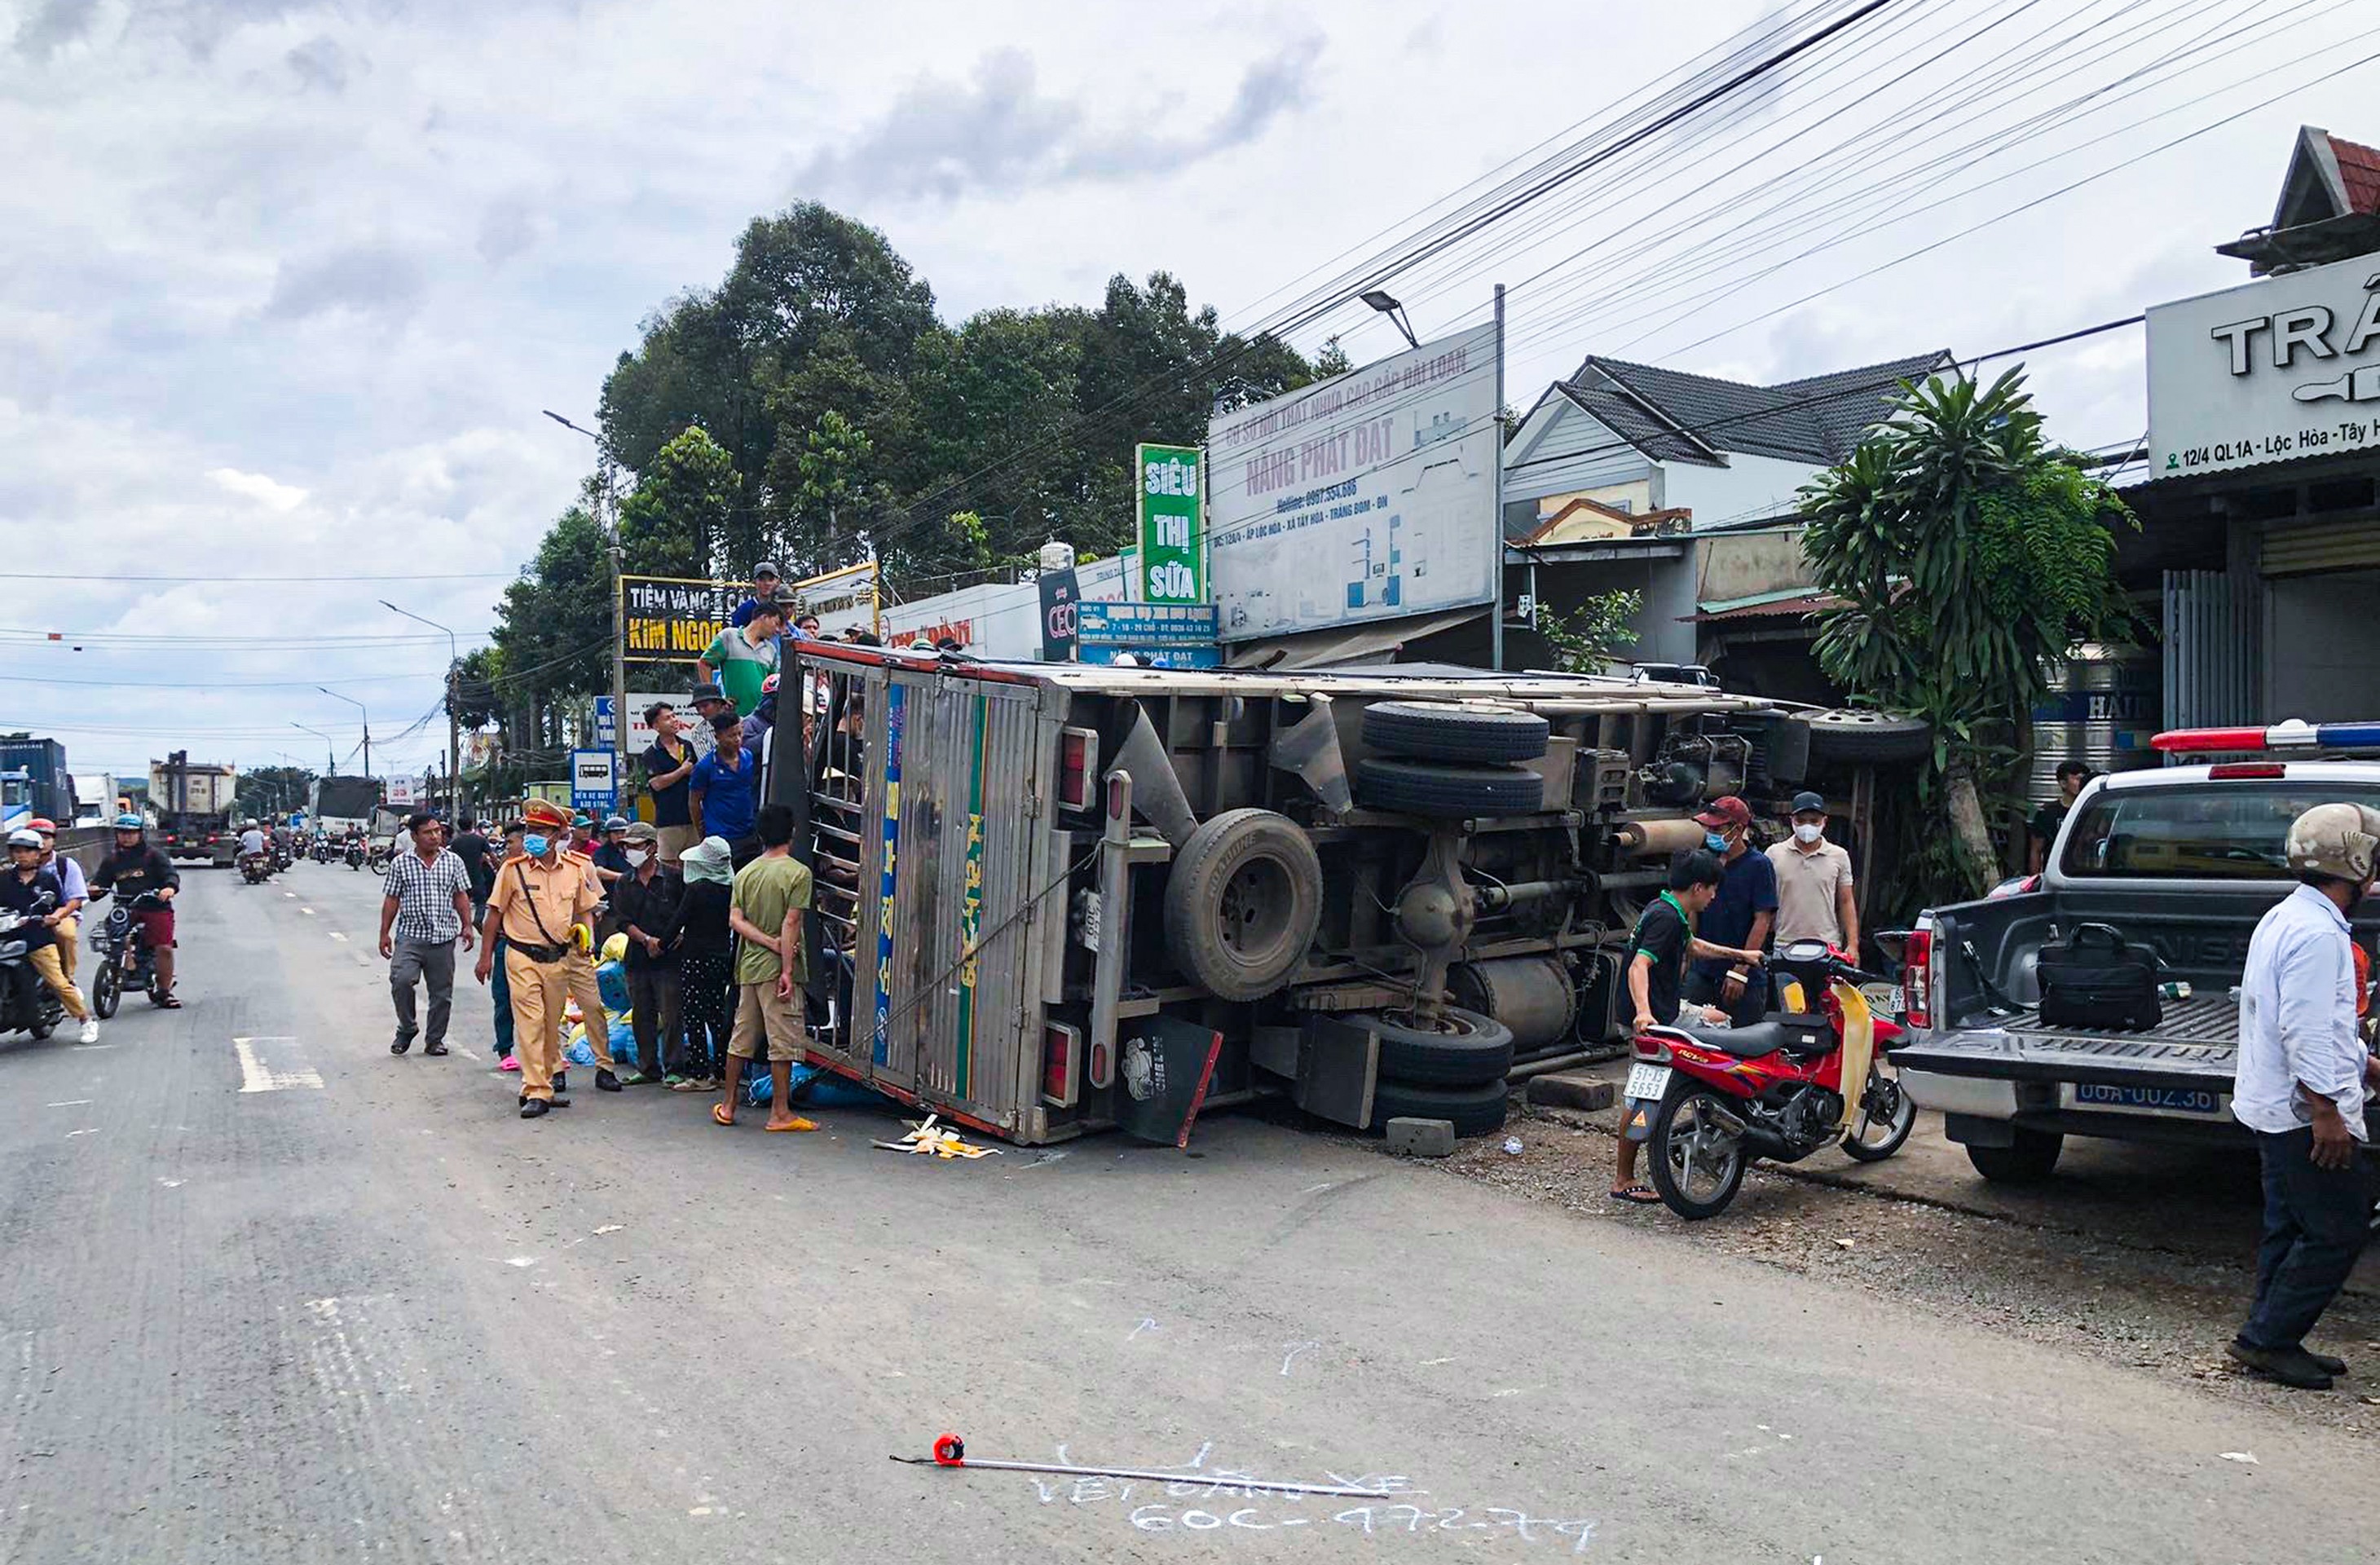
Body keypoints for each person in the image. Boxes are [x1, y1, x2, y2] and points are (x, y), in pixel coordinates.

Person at [2228, 802, 2380, 1390]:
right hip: (2302, 1113)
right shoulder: (2318, 935)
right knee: (2338, 1228)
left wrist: (2365, 1066)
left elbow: (2311, 1022)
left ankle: (2269, 1334)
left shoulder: (2289, 916)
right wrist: (2327, 1112)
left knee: (2290, 1226)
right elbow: (2306, 1030)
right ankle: (2268, 1340)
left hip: (2276, 1105)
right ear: (2356, 862)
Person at [1611, 849, 1765, 1204]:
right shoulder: (1667, 919)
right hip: (1656, 1019)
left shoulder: (1665, 909)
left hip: (1660, 1011)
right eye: (1712, 890)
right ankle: (1722, 1123)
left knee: (1713, 1021)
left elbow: (1692, 947)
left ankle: (1629, 1171)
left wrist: (1741, 956)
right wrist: (1644, 1012)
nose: (1713, 898)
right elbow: (1639, 967)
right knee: (1722, 1029)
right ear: (1698, 887)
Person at [475, 800, 622, 1117]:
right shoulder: (512, 870)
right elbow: (493, 915)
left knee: (550, 1023)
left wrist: (587, 939)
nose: (532, 837)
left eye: (540, 831)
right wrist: (485, 957)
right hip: (521, 956)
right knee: (530, 1022)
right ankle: (537, 1090)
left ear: (557, 835)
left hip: (559, 958)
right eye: (530, 830)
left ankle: (545, 1081)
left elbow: (585, 908)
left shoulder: (575, 869)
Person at [714, 804, 817, 1132]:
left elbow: (735, 920)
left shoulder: (745, 873)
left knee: (741, 1038)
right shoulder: (798, 873)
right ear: (792, 833)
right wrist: (785, 964)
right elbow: (791, 922)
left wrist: (763, 942)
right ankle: (780, 1113)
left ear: (760, 835)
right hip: (776, 970)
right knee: (781, 1040)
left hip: (748, 968)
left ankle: (728, 1105)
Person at [377, 812, 475, 1057]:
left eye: (437, 831)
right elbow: (392, 899)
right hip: (410, 936)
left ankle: (435, 1040)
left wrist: (467, 925)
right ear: (414, 836)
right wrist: (384, 933)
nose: (435, 837)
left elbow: (460, 896)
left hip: (443, 938)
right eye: (428, 832)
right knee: (401, 980)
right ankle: (407, 1027)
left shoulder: (453, 861)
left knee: (442, 994)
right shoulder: (401, 863)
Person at [1681, 796, 1776, 1028]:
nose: (1711, 833)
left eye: (1718, 828)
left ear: (1738, 829)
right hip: (1702, 971)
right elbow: (1693, 912)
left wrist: (1740, 971)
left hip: (1743, 976)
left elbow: (1762, 920)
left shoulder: (1758, 866)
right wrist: (1686, 958)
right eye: (1709, 827)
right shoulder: (1705, 861)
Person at [3, 829, 96, 1043]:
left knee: (58, 982)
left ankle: (86, 1021)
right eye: (17, 851)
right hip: (7, 938)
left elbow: (62, 905)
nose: (22, 855)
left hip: (37, 938)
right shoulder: (4, 879)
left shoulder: (47, 880)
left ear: (38, 854)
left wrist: (54, 917)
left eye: (27, 851)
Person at [611, 822, 681, 1086]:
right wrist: (646, 940)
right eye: (627, 847)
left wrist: (673, 938)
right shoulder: (624, 882)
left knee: (673, 1014)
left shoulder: (674, 878)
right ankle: (647, 1066)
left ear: (652, 848)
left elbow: (684, 912)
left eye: (636, 846)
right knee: (642, 1015)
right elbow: (622, 920)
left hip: (670, 958)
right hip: (638, 957)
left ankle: (675, 1067)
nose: (630, 852)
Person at [90, 813, 180, 1007]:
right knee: (115, 932)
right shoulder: (112, 860)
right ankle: (127, 964)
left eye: (131, 833)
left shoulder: (153, 855)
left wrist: (169, 888)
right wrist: (93, 889)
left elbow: (170, 875)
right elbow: (100, 884)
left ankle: (165, 991)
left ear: (140, 834)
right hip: (126, 907)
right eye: (122, 833)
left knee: (164, 948)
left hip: (155, 907)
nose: (127, 837)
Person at [672, 835, 735, 1091]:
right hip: (722, 956)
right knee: (717, 1014)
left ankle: (699, 1074)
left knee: (694, 1015)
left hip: (695, 956)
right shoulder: (732, 889)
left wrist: (661, 944)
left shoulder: (697, 889)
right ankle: (720, 1072)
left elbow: (678, 921)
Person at [1765, 791, 1858, 958]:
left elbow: (1846, 901)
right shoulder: (1774, 854)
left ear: (1824, 822)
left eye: (1814, 821)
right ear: (1791, 820)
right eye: (1801, 821)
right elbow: (1764, 903)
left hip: (1827, 946)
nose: (1807, 826)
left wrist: (1853, 945)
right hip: (1784, 945)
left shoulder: (1839, 855)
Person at [699, 597, 786, 717]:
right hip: (733, 718)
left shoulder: (772, 650)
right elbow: (704, 663)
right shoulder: (729, 636)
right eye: (776, 624)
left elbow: (772, 685)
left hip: (762, 719)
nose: (777, 630)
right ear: (764, 618)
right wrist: (714, 699)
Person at [27, 820, 86, 993]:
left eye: (47, 837)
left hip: (62, 914)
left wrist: (58, 915)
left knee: (65, 935)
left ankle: (68, 980)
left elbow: (76, 898)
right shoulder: (16, 869)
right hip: (28, 915)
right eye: (38, 838)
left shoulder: (66, 865)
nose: (42, 842)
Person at [690, 712, 759, 862]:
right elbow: (694, 801)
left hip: (749, 834)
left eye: (740, 734)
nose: (737, 739)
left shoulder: (748, 757)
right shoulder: (705, 767)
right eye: (731, 736)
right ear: (717, 737)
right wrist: (701, 833)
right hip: (720, 837)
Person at [641, 702, 699, 866]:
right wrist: (683, 771)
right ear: (656, 725)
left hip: (693, 817)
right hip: (669, 820)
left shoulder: (688, 746)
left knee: (694, 864)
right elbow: (657, 784)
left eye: (674, 716)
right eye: (667, 718)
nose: (674, 720)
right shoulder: (651, 753)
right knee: (669, 867)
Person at [489, 820, 523, 1071]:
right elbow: (493, 914)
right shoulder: (506, 870)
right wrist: (484, 955)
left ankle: (548, 1053)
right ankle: (505, 1049)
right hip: (506, 943)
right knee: (503, 998)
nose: (508, 847)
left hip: (537, 948)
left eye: (512, 842)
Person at [2029, 760, 2092, 875]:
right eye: (2077, 779)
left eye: (2084, 779)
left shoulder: (2093, 810)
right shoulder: (2047, 812)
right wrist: (2035, 880)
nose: (2082, 783)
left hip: (2086, 875)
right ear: (2063, 783)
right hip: (2056, 875)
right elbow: (2036, 850)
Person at [450, 816, 494, 929]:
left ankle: (465, 925)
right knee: (481, 901)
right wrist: (499, 868)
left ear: (459, 826)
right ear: (472, 824)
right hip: (477, 876)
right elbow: (492, 856)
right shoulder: (480, 840)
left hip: (461, 877)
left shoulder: (455, 842)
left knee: (463, 904)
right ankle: (478, 919)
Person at [728, 562, 784, 628]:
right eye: (761, 579)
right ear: (755, 582)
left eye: (771, 579)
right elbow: (736, 634)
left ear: (777, 582)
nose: (766, 583)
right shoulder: (745, 610)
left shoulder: (781, 608)